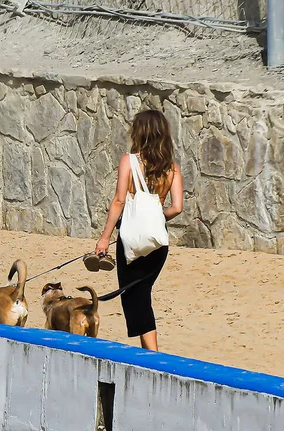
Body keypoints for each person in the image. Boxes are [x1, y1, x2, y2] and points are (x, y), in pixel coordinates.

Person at [95, 109, 183, 351]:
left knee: (136, 296)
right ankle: (148, 354)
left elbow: (119, 201)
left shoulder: (129, 161)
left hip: (131, 240)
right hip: (157, 242)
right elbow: (177, 208)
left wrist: (104, 238)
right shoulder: (172, 169)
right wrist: (156, 216)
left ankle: (153, 355)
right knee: (141, 293)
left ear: (140, 133)